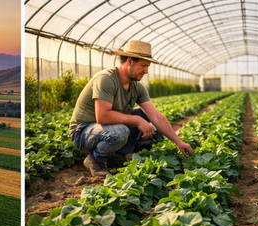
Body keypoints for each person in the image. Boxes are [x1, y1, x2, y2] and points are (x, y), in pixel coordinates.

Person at [69, 40, 194, 177]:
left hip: (106, 129)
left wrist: (178, 142)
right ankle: (94, 160)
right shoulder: (106, 79)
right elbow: (102, 116)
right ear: (130, 61)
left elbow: (155, 115)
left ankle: (116, 156)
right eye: (143, 66)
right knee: (121, 131)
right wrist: (137, 120)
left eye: (147, 67)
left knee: (151, 124)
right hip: (83, 132)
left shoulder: (137, 87)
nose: (146, 71)